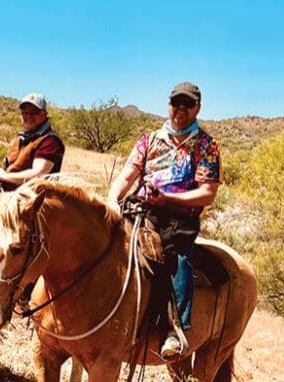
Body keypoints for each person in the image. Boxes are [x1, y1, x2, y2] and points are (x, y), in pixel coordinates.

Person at [107, 81, 222, 357]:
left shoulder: (206, 146)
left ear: (197, 108)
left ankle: (176, 329)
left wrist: (169, 200)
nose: (180, 109)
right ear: (168, 105)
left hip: (179, 219)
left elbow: (207, 193)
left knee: (178, 259)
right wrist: (112, 200)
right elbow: (127, 175)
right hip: (142, 209)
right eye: (175, 103)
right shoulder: (149, 140)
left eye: (187, 104)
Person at [0, 92, 65, 190]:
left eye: (34, 112)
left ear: (44, 114)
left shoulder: (50, 141)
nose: (28, 116)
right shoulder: (20, 139)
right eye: (24, 112)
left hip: (32, 199)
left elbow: (38, 175)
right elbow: (13, 169)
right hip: (9, 193)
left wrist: (4, 176)